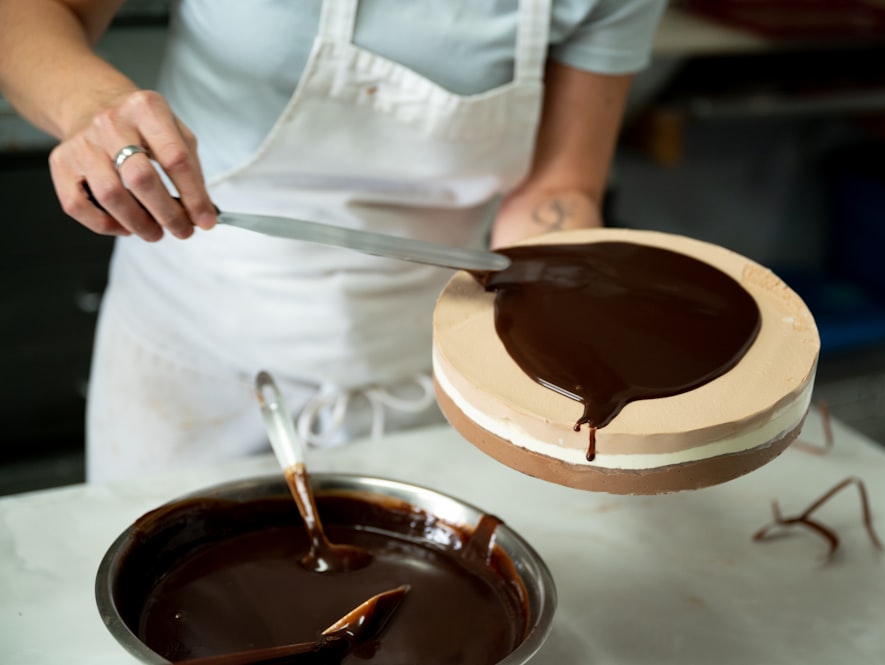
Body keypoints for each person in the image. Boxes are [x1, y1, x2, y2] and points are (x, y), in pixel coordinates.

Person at [0, 0, 666, 482]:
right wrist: (89, 107)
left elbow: (558, 188)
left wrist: (561, 356)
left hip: (430, 368)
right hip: (192, 362)